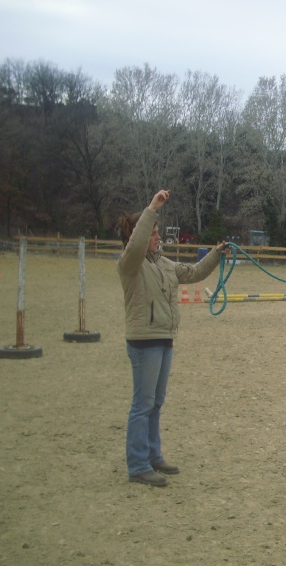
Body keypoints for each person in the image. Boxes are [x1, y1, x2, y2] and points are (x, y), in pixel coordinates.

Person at [116, 189, 229, 487]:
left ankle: (153, 456)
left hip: (164, 339)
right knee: (143, 404)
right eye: (153, 233)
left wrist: (216, 254)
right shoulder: (130, 264)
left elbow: (193, 273)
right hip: (144, 341)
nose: (157, 237)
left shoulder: (164, 265)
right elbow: (137, 243)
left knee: (155, 403)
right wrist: (152, 207)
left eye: (157, 233)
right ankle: (137, 464)